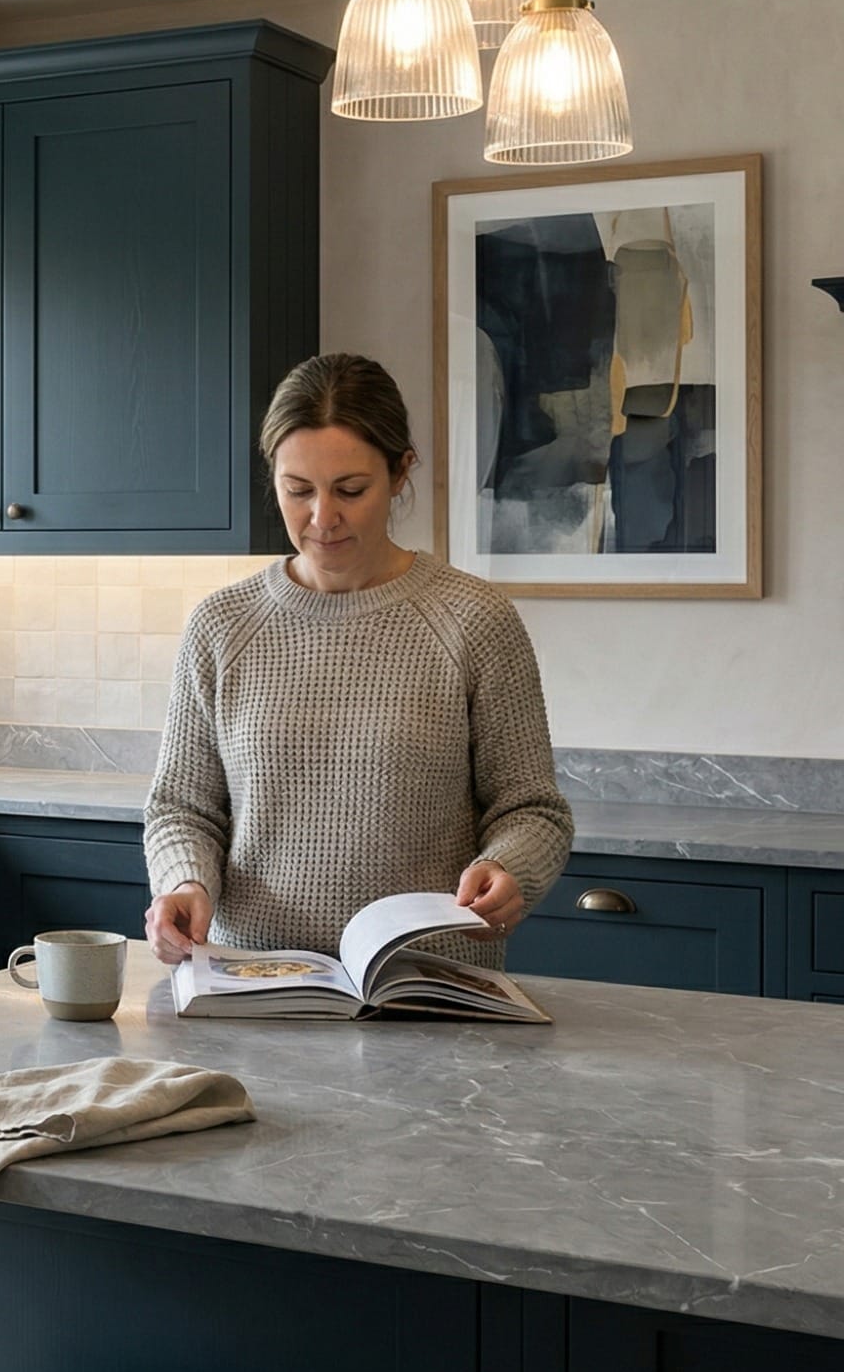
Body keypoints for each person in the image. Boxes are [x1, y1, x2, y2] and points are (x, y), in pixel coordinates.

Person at [143, 352, 573, 970]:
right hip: (256, 983)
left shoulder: (476, 620)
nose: (323, 518)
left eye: (351, 490)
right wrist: (184, 883)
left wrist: (508, 869)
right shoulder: (221, 625)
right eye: (298, 490)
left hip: (427, 981)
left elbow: (532, 809)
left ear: (401, 473)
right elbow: (182, 807)